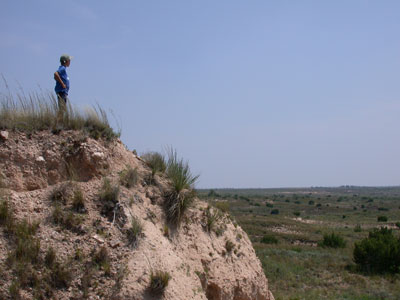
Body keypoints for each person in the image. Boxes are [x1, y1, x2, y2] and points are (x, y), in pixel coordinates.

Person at [54, 54, 72, 121]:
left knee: (62, 108)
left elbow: (55, 77)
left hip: (63, 91)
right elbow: (55, 74)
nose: (70, 62)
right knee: (62, 108)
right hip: (62, 91)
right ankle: (58, 122)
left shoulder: (63, 69)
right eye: (69, 60)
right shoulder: (62, 68)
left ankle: (59, 121)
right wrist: (62, 84)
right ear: (65, 61)